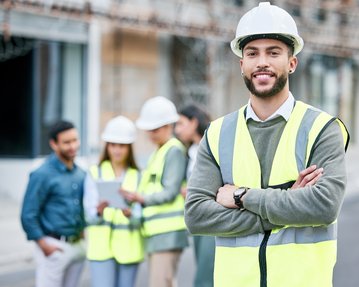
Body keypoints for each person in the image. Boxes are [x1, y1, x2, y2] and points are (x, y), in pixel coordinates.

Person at [184, 2, 350, 287]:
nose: (262, 62)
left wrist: (241, 196)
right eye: (252, 53)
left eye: (273, 52)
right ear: (242, 65)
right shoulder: (218, 132)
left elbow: (323, 205)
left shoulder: (322, 129)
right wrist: (285, 207)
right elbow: (197, 215)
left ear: (292, 63)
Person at [121, 96, 188, 287]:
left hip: (167, 232)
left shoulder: (173, 151)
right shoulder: (159, 152)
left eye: (155, 129)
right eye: (149, 130)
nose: (151, 134)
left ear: (169, 125)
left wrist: (141, 198)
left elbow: (170, 191)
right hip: (156, 233)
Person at [20, 120, 86, 287]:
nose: (73, 146)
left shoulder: (81, 173)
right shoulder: (42, 174)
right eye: (66, 142)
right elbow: (28, 214)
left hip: (78, 246)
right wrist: (44, 245)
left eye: (75, 140)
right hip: (53, 247)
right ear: (53, 144)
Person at [83, 115, 143, 287]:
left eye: (122, 145)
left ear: (129, 147)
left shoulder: (138, 175)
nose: (117, 150)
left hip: (129, 248)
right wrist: (98, 211)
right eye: (113, 145)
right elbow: (88, 215)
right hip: (101, 248)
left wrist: (130, 213)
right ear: (107, 146)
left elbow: (141, 216)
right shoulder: (94, 173)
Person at [175, 104, 215, 287]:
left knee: (204, 276)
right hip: (196, 219)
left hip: (212, 218)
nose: (177, 130)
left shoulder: (214, 146)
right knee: (202, 268)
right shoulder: (188, 152)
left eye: (181, 124)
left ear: (194, 123)